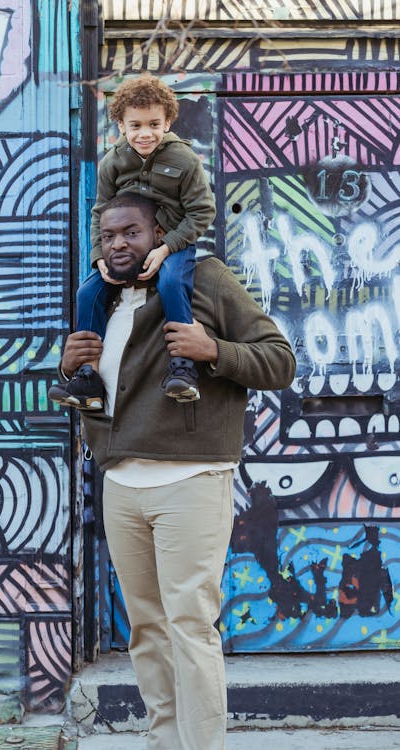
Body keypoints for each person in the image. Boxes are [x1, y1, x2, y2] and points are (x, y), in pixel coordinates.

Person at [58, 193, 296, 750]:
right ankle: (164, 741)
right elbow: (101, 387)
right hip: (120, 483)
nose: (118, 244)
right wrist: (69, 364)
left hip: (191, 478)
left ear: (160, 231)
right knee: (147, 630)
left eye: (132, 232)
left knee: (189, 627)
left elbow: (280, 359)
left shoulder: (202, 278)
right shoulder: (102, 297)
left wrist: (212, 348)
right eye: (109, 235)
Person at [48, 73, 216, 410]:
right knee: (88, 293)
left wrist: (167, 247)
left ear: (167, 121)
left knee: (170, 282)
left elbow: (202, 211)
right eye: (135, 125)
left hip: (171, 243)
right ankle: (87, 379)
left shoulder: (183, 160)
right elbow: (99, 213)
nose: (145, 133)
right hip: (125, 249)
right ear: (121, 126)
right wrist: (100, 258)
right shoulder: (113, 162)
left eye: (154, 124)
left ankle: (183, 369)